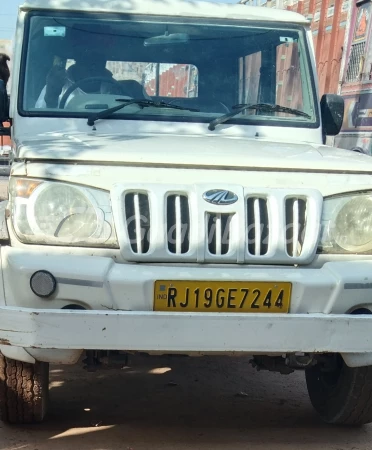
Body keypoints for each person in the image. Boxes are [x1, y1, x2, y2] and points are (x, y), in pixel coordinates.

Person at [36, 50, 121, 108]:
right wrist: (51, 97)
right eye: (87, 59)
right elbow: (39, 122)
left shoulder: (117, 88)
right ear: (77, 59)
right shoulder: (58, 83)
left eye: (98, 59)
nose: (93, 66)